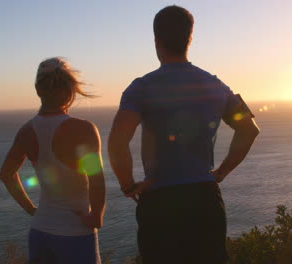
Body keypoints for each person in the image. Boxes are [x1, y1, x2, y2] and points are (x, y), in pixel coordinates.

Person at [108, 5, 259, 264]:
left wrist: (128, 185)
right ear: (190, 39)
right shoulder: (216, 85)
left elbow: (117, 141)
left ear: (156, 41)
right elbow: (249, 129)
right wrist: (220, 172)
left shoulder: (141, 88)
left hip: (159, 201)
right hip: (204, 199)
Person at [0, 57, 106, 264]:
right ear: (71, 90)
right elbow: (96, 179)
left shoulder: (26, 131)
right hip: (76, 233)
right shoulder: (83, 130)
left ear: (38, 89)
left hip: (40, 232)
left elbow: (6, 174)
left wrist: (31, 210)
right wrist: (97, 216)